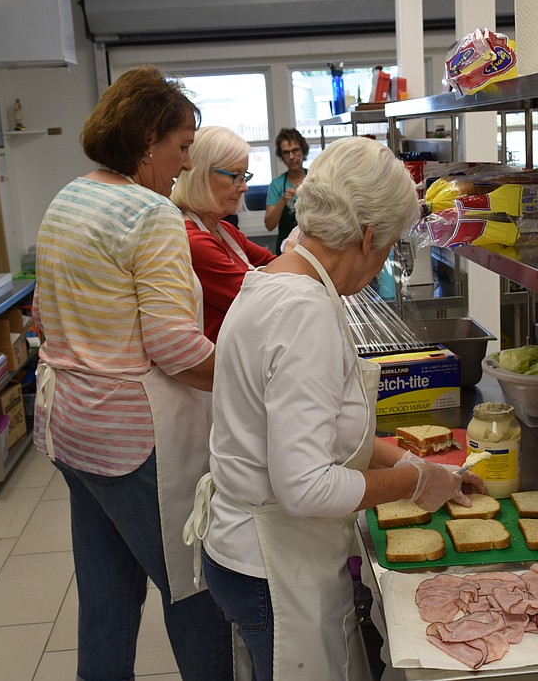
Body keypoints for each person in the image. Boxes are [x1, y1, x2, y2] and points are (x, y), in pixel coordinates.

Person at [188, 137, 485, 680]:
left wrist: (402, 460)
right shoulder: (304, 314)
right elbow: (305, 486)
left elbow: (307, 427)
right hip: (272, 564)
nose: (380, 265)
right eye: (389, 246)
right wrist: (416, 484)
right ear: (369, 235)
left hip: (248, 543)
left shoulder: (275, 280)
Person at [31, 65, 232, 681]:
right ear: (148, 140)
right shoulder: (152, 216)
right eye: (181, 147)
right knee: (194, 588)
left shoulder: (70, 197)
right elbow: (174, 347)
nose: (183, 163)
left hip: (70, 428)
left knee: (108, 595)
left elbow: (42, 312)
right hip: (131, 440)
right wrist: (252, 380)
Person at [172, 126, 277, 342]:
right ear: (201, 175)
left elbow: (276, 263)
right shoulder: (194, 241)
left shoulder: (224, 230)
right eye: (235, 176)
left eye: (244, 175)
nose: (244, 187)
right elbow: (259, 301)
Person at [264, 127, 309, 251]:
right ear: (281, 156)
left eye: (295, 150)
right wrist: (282, 201)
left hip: (312, 247)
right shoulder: (276, 185)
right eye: (286, 152)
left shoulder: (315, 179)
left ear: (303, 151)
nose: (291, 156)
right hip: (285, 249)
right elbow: (269, 225)